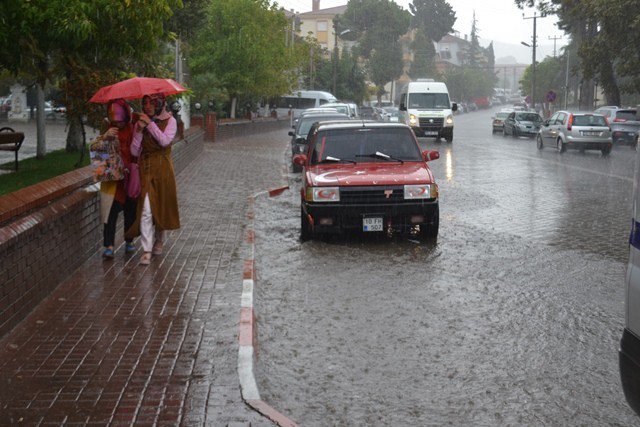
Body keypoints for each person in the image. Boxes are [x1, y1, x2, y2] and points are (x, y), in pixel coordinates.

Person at [126, 93, 180, 265]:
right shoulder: (140, 122)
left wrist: (150, 125)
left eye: (151, 103)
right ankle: (147, 250)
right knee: (146, 207)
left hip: (163, 167)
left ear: (159, 104)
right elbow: (134, 151)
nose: (147, 106)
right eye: (145, 103)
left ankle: (159, 238)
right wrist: (140, 131)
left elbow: (165, 141)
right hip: (146, 167)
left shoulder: (170, 121)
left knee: (161, 204)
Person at [99, 99, 137, 258]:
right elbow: (99, 153)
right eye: (114, 118)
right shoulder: (107, 128)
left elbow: (136, 150)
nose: (118, 122)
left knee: (130, 211)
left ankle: (129, 241)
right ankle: (109, 245)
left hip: (129, 179)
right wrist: (105, 137)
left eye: (121, 118)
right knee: (110, 213)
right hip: (112, 181)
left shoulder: (133, 127)